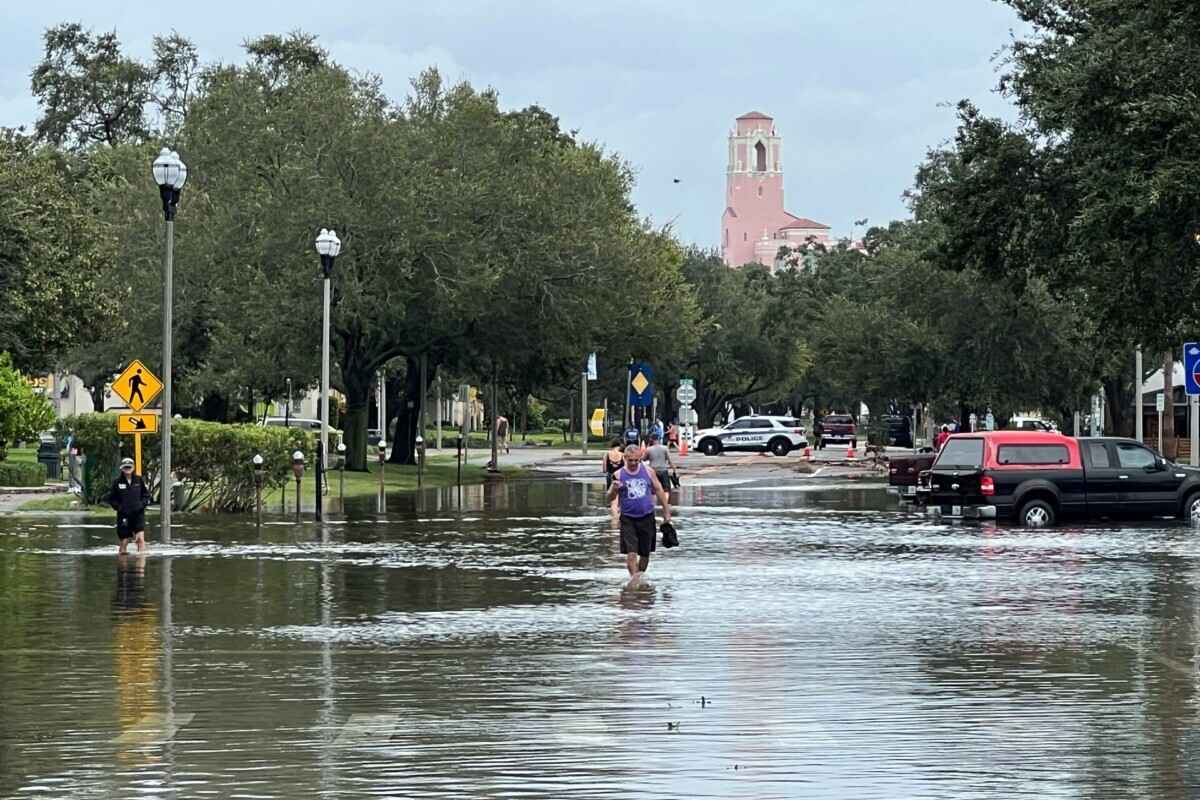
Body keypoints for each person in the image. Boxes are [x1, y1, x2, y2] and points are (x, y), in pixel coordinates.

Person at [607, 443, 672, 578]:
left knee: (645, 554)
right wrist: (614, 489)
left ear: (640, 458)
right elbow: (610, 498)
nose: (633, 463)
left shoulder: (648, 472)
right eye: (630, 460)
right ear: (625, 458)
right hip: (628, 518)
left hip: (647, 517)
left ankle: (639, 577)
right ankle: (634, 580)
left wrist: (666, 512)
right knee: (631, 553)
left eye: (636, 460)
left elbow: (659, 490)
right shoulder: (618, 475)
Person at [106, 458, 150, 554]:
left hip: (138, 515)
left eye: (129, 467)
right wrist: (119, 508)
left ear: (133, 468)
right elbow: (111, 499)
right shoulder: (117, 482)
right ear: (122, 468)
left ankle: (141, 561)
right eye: (125, 467)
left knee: (140, 540)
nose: (127, 469)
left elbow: (146, 495)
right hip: (124, 516)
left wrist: (142, 504)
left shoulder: (139, 480)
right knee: (124, 541)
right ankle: (122, 561)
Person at [603, 438, 625, 514]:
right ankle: (619, 509)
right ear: (619, 446)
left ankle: (612, 510)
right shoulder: (622, 455)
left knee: (611, 494)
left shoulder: (606, 454)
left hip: (610, 476)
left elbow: (604, 469)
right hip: (620, 477)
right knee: (620, 493)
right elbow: (625, 468)